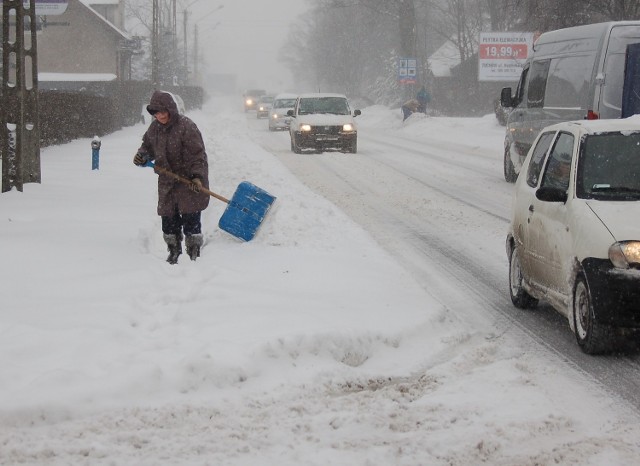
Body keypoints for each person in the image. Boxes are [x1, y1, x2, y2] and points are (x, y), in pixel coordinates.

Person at [133, 90, 210, 264]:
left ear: (170, 109)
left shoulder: (186, 126)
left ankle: (193, 252)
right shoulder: (155, 129)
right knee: (168, 220)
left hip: (188, 182)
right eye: (155, 113)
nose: (159, 116)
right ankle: (173, 251)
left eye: (162, 111)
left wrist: (197, 177)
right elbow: (147, 147)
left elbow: (198, 155)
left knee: (190, 218)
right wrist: (142, 156)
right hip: (167, 183)